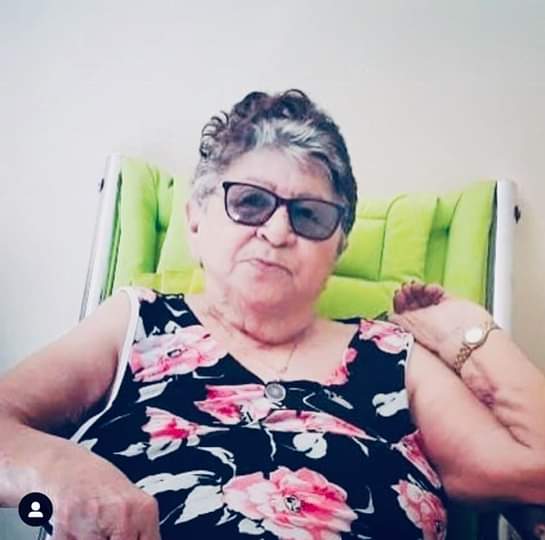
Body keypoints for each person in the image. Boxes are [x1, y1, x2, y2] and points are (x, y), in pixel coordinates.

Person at [0, 89, 544, 540]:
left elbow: (534, 473)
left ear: (337, 248)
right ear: (195, 221)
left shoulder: (394, 358)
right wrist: (58, 473)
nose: (279, 232)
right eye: (250, 202)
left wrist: (469, 331)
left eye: (310, 215)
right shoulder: (136, 323)